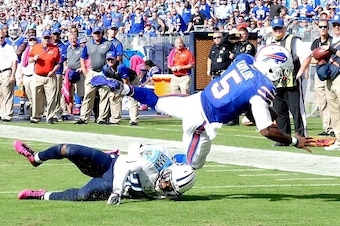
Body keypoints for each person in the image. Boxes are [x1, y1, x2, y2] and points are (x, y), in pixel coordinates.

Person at [91, 45, 314, 170]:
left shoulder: (244, 60)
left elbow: (244, 102)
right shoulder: (262, 88)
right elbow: (266, 130)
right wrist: (294, 140)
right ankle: (144, 161)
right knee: (189, 169)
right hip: (202, 123)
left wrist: (265, 113)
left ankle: (124, 89)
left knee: (155, 100)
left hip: (195, 100)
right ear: (273, 67)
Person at [13, 140, 195, 204]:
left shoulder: (172, 192)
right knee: (68, 150)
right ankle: (35, 158)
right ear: (168, 172)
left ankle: (41, 195)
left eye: (169, 187)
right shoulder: (154, 161)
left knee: (84, 194)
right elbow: (127, 164)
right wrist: (118, 191)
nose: (164, 186)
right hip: (111, 166)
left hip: (110, 186)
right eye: (167, 181)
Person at [266, 18, 309, 146]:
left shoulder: (294, 41)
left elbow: (307, 56)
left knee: (296, 111)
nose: (278, 31)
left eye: (280, 28)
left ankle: (302, 136)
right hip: (276, 83)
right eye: (275, 29)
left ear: (284, 28)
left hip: (292, 83)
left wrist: (300, 72)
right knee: (279, 112)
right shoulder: (269, 42)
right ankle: (284, 138)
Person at [75, 26, 117, 125]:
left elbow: (115, 57)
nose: (96, 35)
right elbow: (82, 57)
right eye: (95, 33)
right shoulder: (88, 45)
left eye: (98, 33)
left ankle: (102, 118)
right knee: (88, 96)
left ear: (102, 33)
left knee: (104, 96)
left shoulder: (108, 44)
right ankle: (84, 118)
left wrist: (110, 69)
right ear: (92, 34)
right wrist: (85, 71)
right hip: (92, 72)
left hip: (104, 72)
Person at [313, 15, 340, 151]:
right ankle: (339, 139)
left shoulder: (332, 43)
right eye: (335, 25)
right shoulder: (332, 40)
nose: (337, 28)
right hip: (330, 77)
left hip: (339, 76)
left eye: (339, 25)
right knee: (333, 110)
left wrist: (332, 50)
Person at [29, 30, 61, 124]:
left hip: (50, 76)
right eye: (45, 38)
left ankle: (50, 116)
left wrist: (53, 71)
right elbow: (29, 60)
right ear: (41, 38)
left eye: (48, 38)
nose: (46, 40)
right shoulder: (36, 47)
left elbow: (58, 63)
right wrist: (34, 59)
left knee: (51, 97)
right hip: (38, 75)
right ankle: (35, 116)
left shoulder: (54, 48)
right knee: (36, 96)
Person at [309, 19, 334, 137]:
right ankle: (326, 127)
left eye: (325, 26)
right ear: (318, 28)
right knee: (322, 102)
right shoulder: (316, 42)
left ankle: (334, 127)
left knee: (332, 101)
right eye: (321, 26)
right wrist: (321, 57)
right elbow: (312, 58)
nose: (323, 28)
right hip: (319, 73)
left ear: (328, 28)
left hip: (331, 73)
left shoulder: (332, 41)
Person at [101, 51, 140, 126]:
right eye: (108, 59)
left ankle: (134, 120)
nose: (110, 61)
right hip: (118, 81)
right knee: (113, 97)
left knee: (132, 98)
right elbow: (108, 80)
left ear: (116, 59)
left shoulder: (121, 67)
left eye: (112, 59)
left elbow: (126, 81)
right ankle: (115, 119)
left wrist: (124, 92)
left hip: (131, 80)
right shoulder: (105, 69)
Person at [0, 30, 18, 122]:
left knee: (7, 94)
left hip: (6, 72)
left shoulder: (9, 48)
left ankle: (8, 114)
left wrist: (13, 75)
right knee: (0, 94)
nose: (0, 39)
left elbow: (14, 61)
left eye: (2, 37)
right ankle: (1, 113)